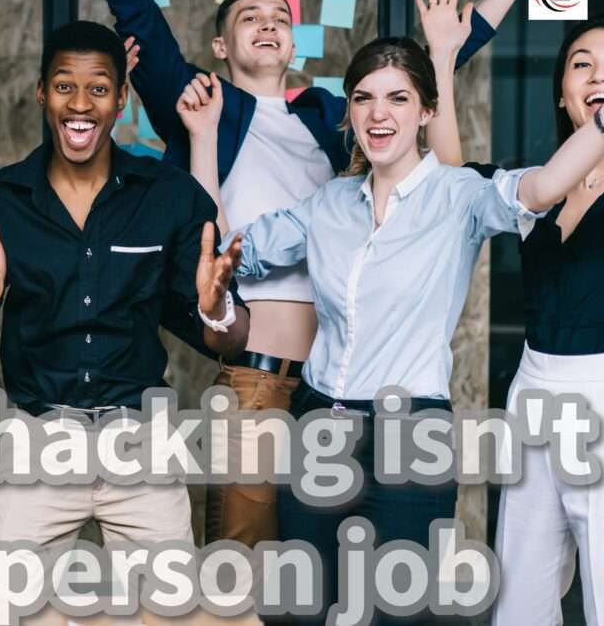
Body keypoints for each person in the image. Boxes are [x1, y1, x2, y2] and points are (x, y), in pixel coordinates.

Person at [75, 0, 588, 550]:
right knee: (256, 576)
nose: (268, 24)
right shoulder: (203, 105)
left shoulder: (330, 118)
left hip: (341, 392)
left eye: (280, 18)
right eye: (249, 17)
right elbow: (137, 12)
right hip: (260, 385)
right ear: (218, 48)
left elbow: (420, 72)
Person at [180, 30, 604, 623]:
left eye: (398, 99)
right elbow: (224, 252)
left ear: (427, 111)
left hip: (413, 439)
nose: (379, 114)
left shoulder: (460, 196)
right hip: (319, 429)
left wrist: (601, 126)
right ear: (349, 113)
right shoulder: (326, 205)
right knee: (301, 609)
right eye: (363, 98)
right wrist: (203, 147)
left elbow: (538, 189)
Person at [0, 20, 249, 549]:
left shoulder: (168, 197)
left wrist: (216, 308)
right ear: (41, 92)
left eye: (99, 88)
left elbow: (230, 340)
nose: (80, 104)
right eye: (64, 86)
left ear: (121, 99)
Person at [484, 16, 604, 626]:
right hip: (533, 387)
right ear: (562, 90)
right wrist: (451, 52)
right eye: (583, 62)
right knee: (521, 592)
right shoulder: (540, 185)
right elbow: (452, 174)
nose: (599, 75)